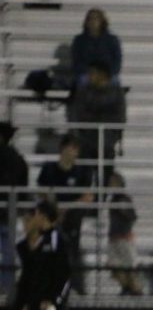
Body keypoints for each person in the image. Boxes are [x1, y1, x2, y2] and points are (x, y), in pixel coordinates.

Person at [37, 134, 95, 295]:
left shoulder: (82, 171)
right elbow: (41, 191)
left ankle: (73, 287)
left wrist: (67, 208)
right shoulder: (49, 169)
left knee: (71, 251)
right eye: (72, 148)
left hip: (72, 219)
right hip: (51, 219)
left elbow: (88, 196)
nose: (74, 152)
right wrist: (55, 208)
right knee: (49, 250)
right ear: (62, 148)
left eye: (77, 149)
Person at [67, 61, 127, 183]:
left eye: (92, 73)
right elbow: (80, 114)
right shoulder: (83, 92)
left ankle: (103, 198)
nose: (89, 76)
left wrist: (99, 119)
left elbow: (119, 117)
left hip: (108, 140)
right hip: (87, 139)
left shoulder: (116, 92)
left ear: (102, 75)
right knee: (84, 175)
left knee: (105, 174)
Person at [0, 122, 27, 295]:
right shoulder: (18, 159)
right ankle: (7, 287)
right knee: (8, 249)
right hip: (9, 211)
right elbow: (23, 186)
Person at [106, 171, 141, 295]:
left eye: (113, 183)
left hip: (124, 237)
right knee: (115, 266)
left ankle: (135, 288)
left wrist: (123, 211)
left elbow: (132, 216)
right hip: (114, 237)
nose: (110, 185)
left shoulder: (124, 199)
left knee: (128, 266)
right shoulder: (113, 199)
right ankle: (126, 286)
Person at [71, 9, 122, 87]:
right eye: (90, 19)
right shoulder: (79, 40)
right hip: (87, 74)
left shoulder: (112, 40)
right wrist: (90, 73)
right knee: (82, 80)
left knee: (114, 81)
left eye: (96, 19)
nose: (93, 22)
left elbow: (117, 61)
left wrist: (106, 74)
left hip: (106, 74)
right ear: (86, 22)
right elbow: (76, 61)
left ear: (102, 21)